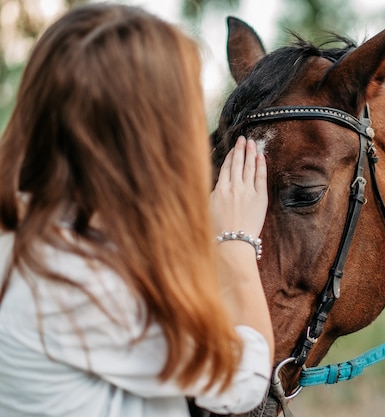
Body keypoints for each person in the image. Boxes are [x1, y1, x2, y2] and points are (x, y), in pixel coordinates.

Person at [0, 3, 273, 417]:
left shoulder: (27, 228)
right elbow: (242, 380)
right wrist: (236, 240)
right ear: (149, 134)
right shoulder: (82, 280)